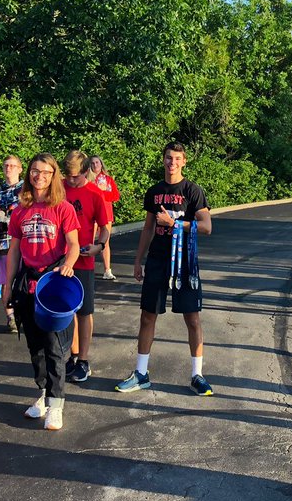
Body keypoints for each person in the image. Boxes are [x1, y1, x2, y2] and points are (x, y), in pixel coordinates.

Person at [117, 142, 213, 395]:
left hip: (184, 262)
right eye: (169, 158)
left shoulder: (193, 191)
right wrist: (138, 260)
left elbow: (206, 226)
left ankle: (197, 375)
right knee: (148, 315)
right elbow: (148, 228)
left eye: (177, 158)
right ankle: (141, 373)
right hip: (158, 260)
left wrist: (174, 224)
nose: (173, 162)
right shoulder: (154, 191)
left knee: (192, 318)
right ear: (163, 160)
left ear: (184, 162)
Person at [4, 153, 81, 430]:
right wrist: (7, 285)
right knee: (34, 346)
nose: (40, 176)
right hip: (27, 282)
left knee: (54, 346)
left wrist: (68, 265)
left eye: (46, 172)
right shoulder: (20, 211)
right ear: (29, 174)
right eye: (36, 171)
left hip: (52, 282)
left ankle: (56, 404)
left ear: (54, 176)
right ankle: (43, 395)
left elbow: (73, 244)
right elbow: (13, 251)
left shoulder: (63, 208)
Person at [63, 150, 112, 383]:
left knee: (84, 311)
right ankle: (72, 356)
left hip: (84, 259)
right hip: (59, 259)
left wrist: (99, 246)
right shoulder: (57, 189)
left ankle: (83, 360)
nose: (71, 180)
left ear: (86, 171)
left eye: (76, 176)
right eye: (68, 175)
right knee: (66, 310)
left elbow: (105, 226)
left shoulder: (94, 193)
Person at [0, 155, 24, 333]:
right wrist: (4, 220)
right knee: (6, 282)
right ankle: (11, 318)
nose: (8, 168)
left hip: (26, 243)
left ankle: (27, 314)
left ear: (20, 169)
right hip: (2, 243)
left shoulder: (27, 190)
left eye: (12, 166)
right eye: (6, 165)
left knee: (27, 278)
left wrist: (5, 218)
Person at [89, 155, 121, 281]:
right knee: (89, 240)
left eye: (97, 162)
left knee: (105, 242)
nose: (95, 165)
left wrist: (102, 192)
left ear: (101, 164)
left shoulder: (107, 179)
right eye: (92, 163)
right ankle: (88, 268)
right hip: (91, 213)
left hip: (106, 213)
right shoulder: (88, 180)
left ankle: (107, 270)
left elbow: (115, 196)